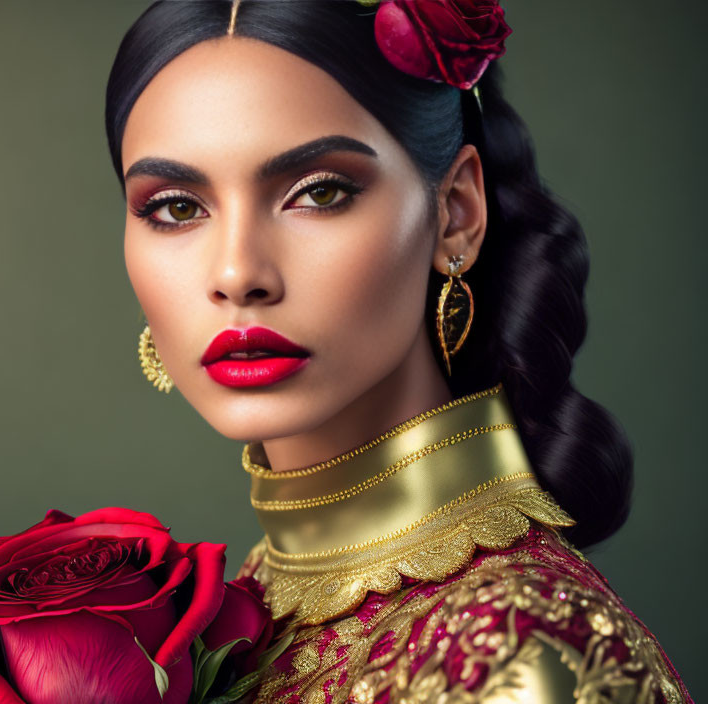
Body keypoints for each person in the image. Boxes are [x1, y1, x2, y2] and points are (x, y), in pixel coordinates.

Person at [105, 1, 692, 701]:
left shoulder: (525, 655)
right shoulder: (248, 609)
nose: (237, 274)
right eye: (175, 207)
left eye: (317, 193)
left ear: (456, 214)